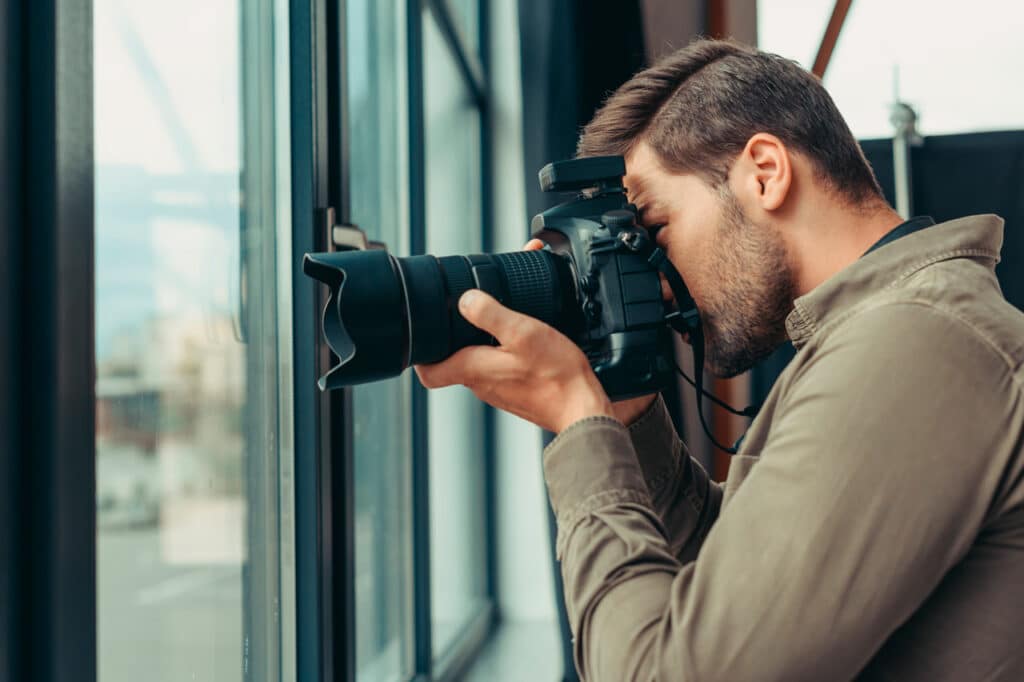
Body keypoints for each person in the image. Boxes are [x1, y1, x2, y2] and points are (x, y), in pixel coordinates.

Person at [415, 38, 1024, 681]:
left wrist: (577, 425)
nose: (658, 279)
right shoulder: (886, 333)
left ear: (764, 171)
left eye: (654, 226)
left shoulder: (915, 348)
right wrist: (626, 423)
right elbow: (741, 587)